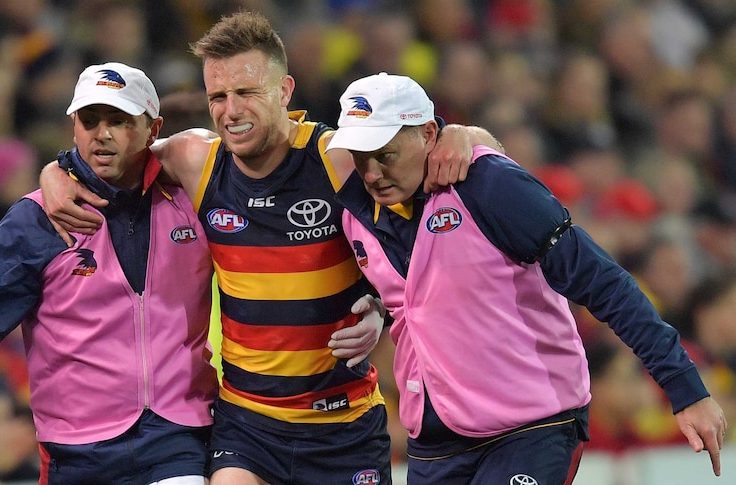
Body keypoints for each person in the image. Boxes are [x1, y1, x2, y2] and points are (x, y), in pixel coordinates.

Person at [39, 11, 504, 485]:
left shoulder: (336, 158)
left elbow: (463, 156)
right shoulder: (197, 160)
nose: (230, 110)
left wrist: (462, 135)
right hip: (247, 426)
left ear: (284, 91)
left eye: (246, 93)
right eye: (218, 97)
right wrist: (55, 174)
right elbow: (110, 156)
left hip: (344, 425)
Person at [327, 72, 728, 484]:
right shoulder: (355, 214)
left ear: (429, 133)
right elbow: (402, 295)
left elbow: (604, 283)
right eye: (360, 157)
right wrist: (375, 309)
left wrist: (684, 387)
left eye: (386, 154)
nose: (371, 173)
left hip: (532, 425)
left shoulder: (488, 184)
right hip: (436, 441)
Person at [0, 62, 221, 485]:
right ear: (73, 125)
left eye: (119, 120)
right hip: (75, 453)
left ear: (153, 130)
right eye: (89, 119)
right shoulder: (38, 219)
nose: (102, 133)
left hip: (176, 440)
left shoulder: (196, 195)